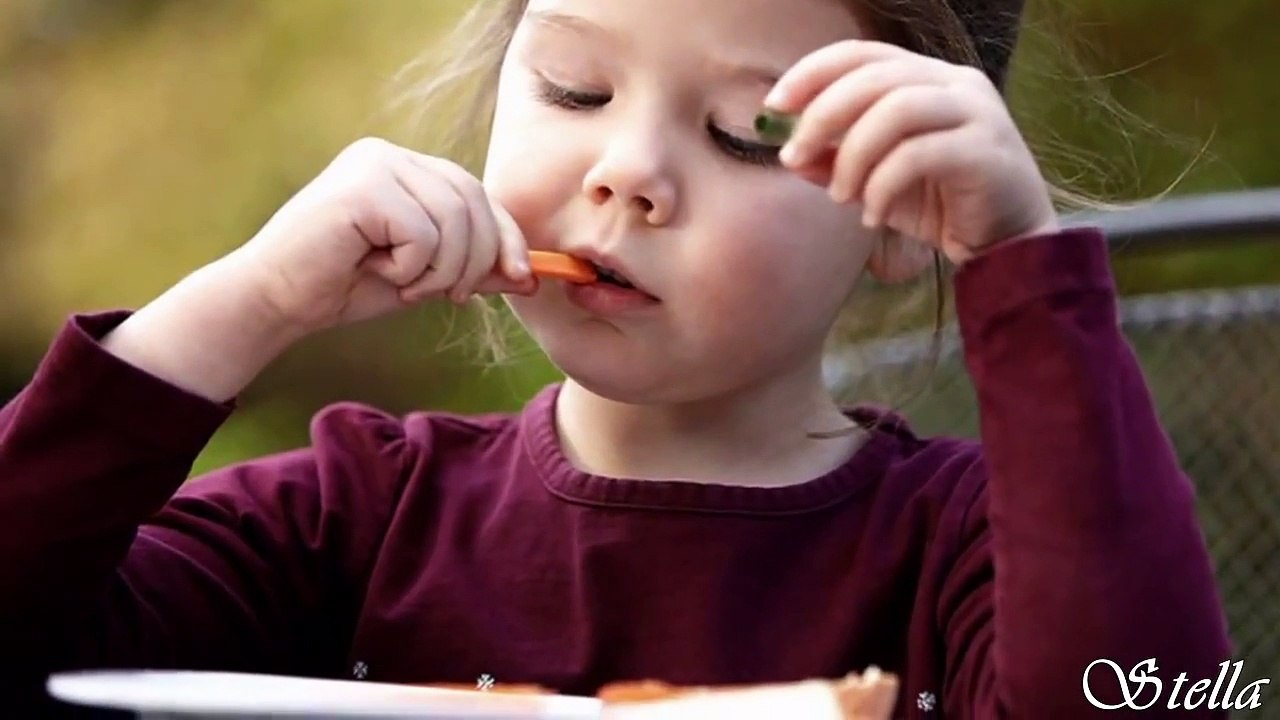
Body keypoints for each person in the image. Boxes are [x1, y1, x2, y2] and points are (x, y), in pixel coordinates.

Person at [0, 0, 1232, 716]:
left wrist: (1018, 264)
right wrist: (244, 302)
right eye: (574, 90)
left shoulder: (964, 550)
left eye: (746, 136)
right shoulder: (357, 515)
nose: (625, 173)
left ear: (901, 217)